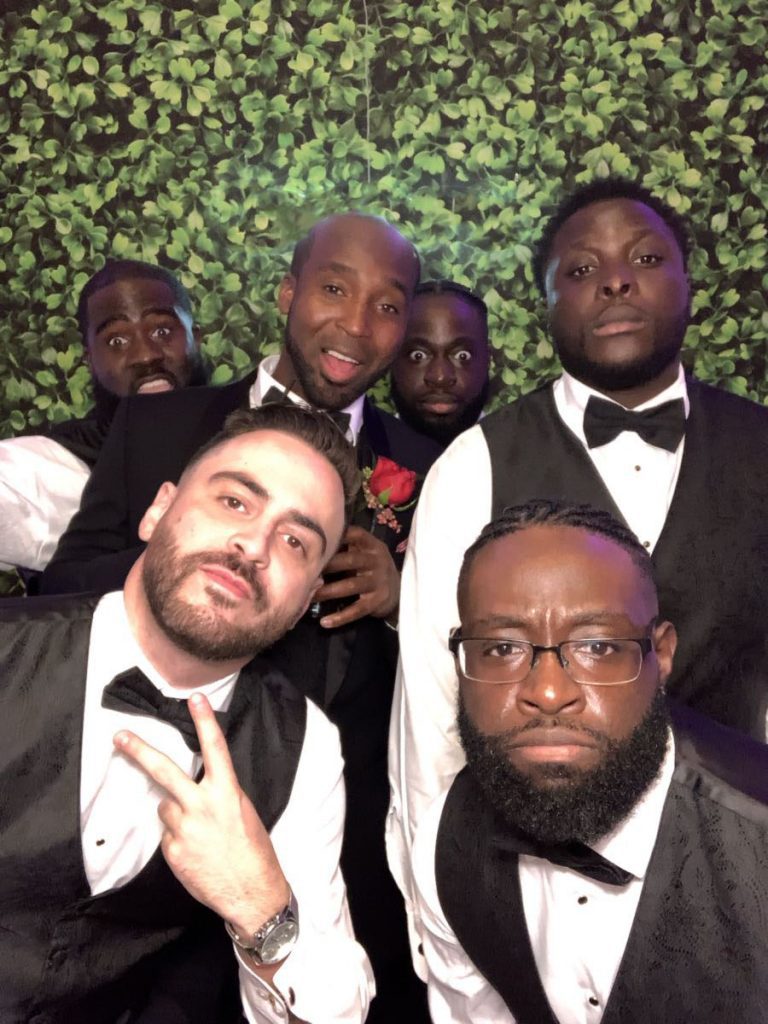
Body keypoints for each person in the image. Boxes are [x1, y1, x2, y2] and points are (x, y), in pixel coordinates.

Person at [40, 212, 441, 1021]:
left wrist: (407, 597)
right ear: (289, 292)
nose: (356, 323)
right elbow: (67, 583)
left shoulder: (432, 466)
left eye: (388, 305)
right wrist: (204, 570)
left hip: (330, 846)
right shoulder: (155, 425)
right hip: (137, 815)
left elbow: (452, 670)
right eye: (333, 288)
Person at [389, 179, 768, 966]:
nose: (616, 279)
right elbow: (430, 720)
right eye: (581, 268)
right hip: (529, 891)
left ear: (689, 284)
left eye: (645, 258)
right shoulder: (474, 465)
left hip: (740, 882)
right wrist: (449, 941)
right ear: (547, 304)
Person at [0, 403, 373, 1023]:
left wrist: (262, 907)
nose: (253, 545)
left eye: (295, 541)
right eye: (235, 502)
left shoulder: (304, 746)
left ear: (309, 597)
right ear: (157, 510)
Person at [412, 499, 768, 1023]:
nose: (549, 692)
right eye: (501, 648)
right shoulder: (445, 841)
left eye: (598, 646)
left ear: (661, 654)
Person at [0, 259, 208, 573]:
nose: (145, 355)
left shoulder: (253, 433)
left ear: (196, 337)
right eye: (117, 341)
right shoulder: (59, 467)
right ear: (89, 360)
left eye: (162, 330)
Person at [390, 280, 491, 448]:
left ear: (488, 360)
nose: (440, 376)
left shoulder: (523, 457)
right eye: (418, 355)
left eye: (462, 355)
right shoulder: (358, 456)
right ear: (391, 359)